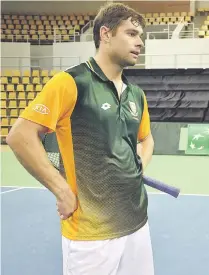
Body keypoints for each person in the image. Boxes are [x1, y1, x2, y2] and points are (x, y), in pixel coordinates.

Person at [7, 3, 155, 275]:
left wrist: (140, 166)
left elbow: (147, 140)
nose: (140, 42)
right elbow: (20, 136)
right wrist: (61, 190)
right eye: (132, 34)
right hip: (91, 232)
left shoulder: (137, 95)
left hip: (137, 223)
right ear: (106, 34)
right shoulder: (71, 82)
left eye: (141, 36)